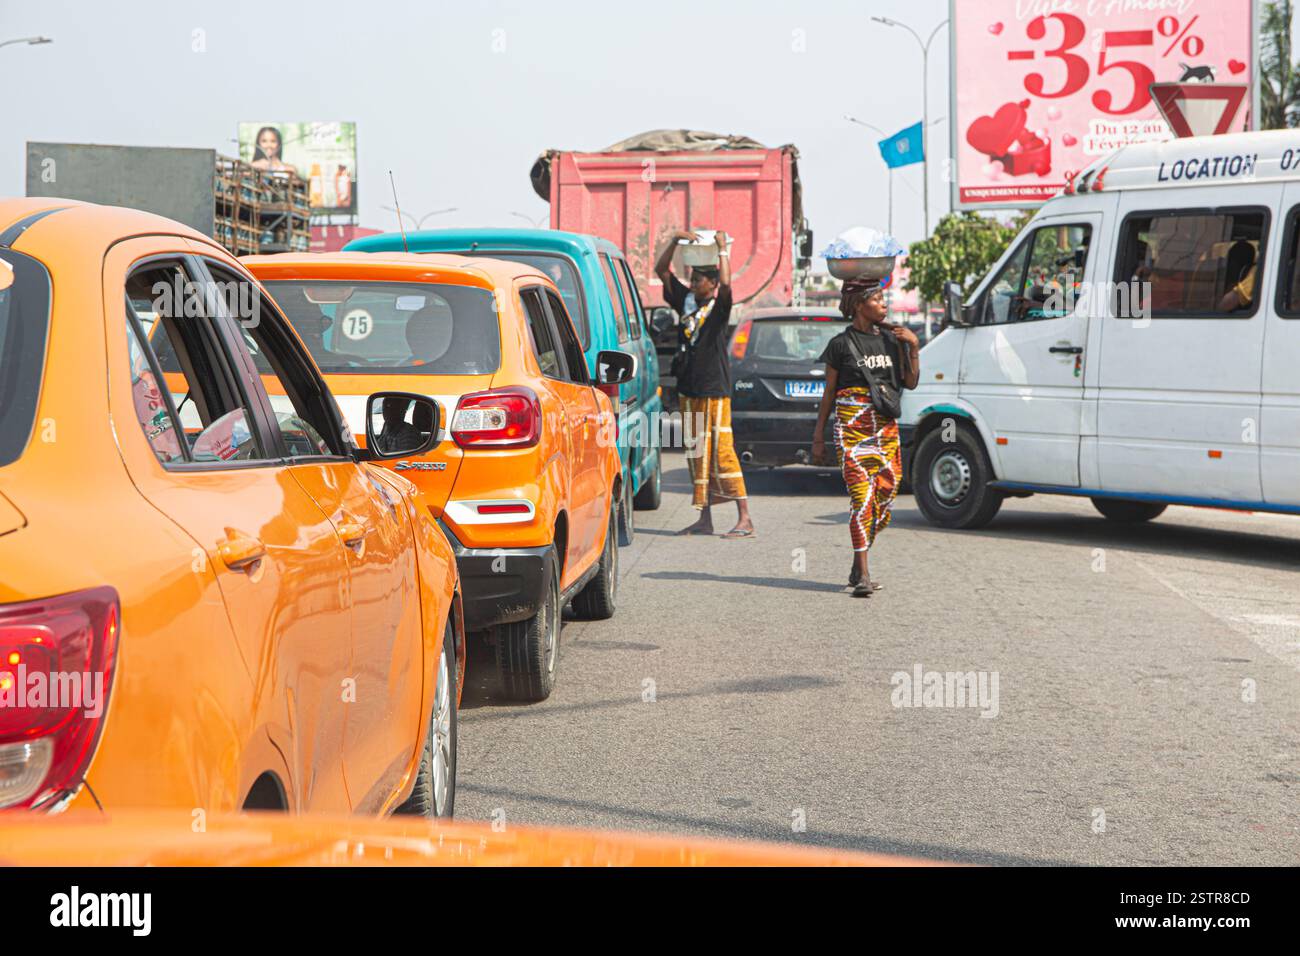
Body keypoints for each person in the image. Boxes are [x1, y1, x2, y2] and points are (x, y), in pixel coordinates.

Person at [811, 275, 920, 597]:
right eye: (878, 299)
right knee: (861, 500)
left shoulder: (893, 341)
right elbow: (829, 393)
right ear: (860, 305)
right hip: (852, 430)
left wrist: (913, 347)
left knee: (884, 502)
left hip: (885, 429)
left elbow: (910, 383)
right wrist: (818, 437)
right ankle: (863, 575)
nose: (884, 304)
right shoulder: (840, 345)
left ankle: (857, 564)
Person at [654, 228, 754, 538]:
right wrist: (673, 240)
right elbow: (661, 270)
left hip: (714, 390)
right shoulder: (685, 302)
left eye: (699, 280)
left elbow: (727, 284)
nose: (694, 284)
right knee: (698, 455)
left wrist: (723, 249)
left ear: (711, 285)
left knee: (723, 452)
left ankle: (745, 518)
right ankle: (704, 519)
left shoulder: (719, 308)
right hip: (689, 389)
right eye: (693, 279)